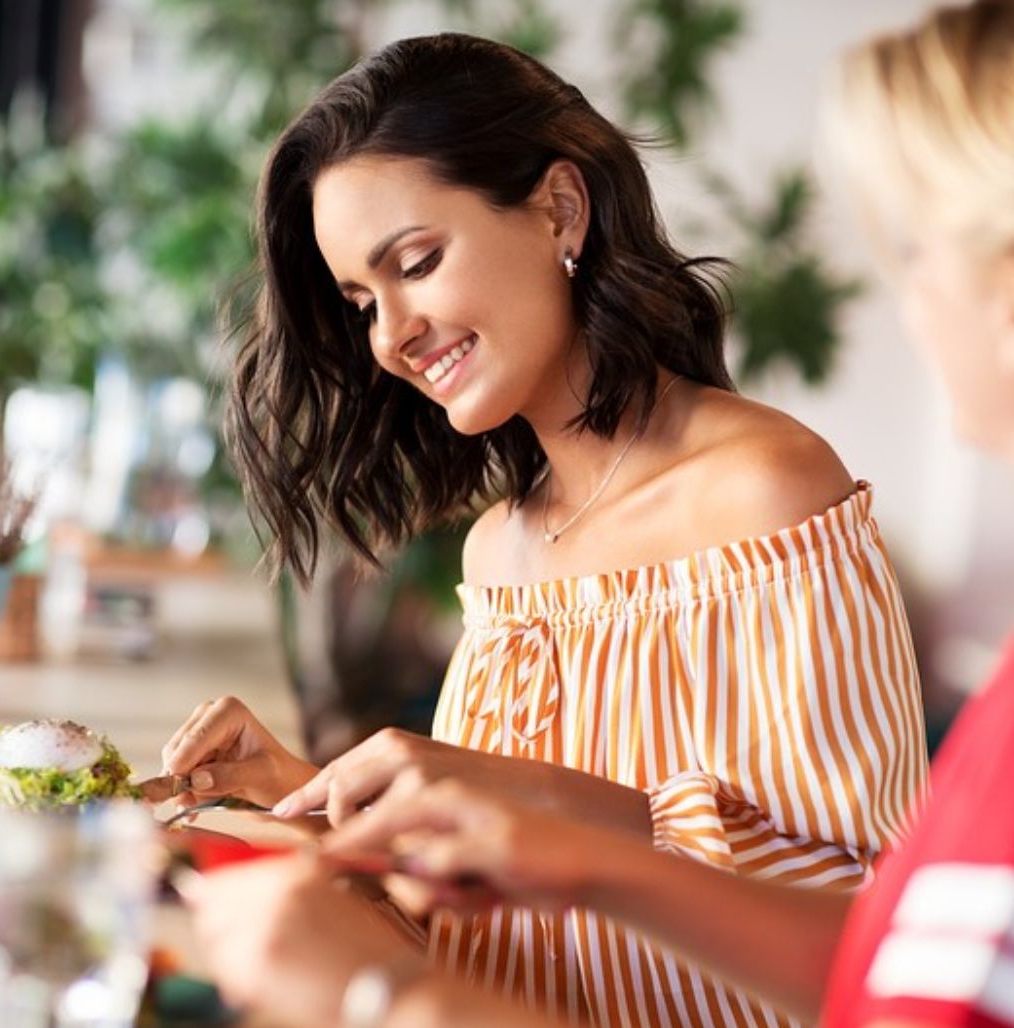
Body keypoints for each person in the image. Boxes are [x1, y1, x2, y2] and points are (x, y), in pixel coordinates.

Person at [183, 3, 1014, 1027]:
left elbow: (870, 924)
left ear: (560, 211)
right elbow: (497, 945)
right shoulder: (498, 549)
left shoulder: (766, 490)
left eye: (415, 262)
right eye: (360, 302)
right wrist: (299, 804)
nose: (390, 336)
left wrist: (522, 800)